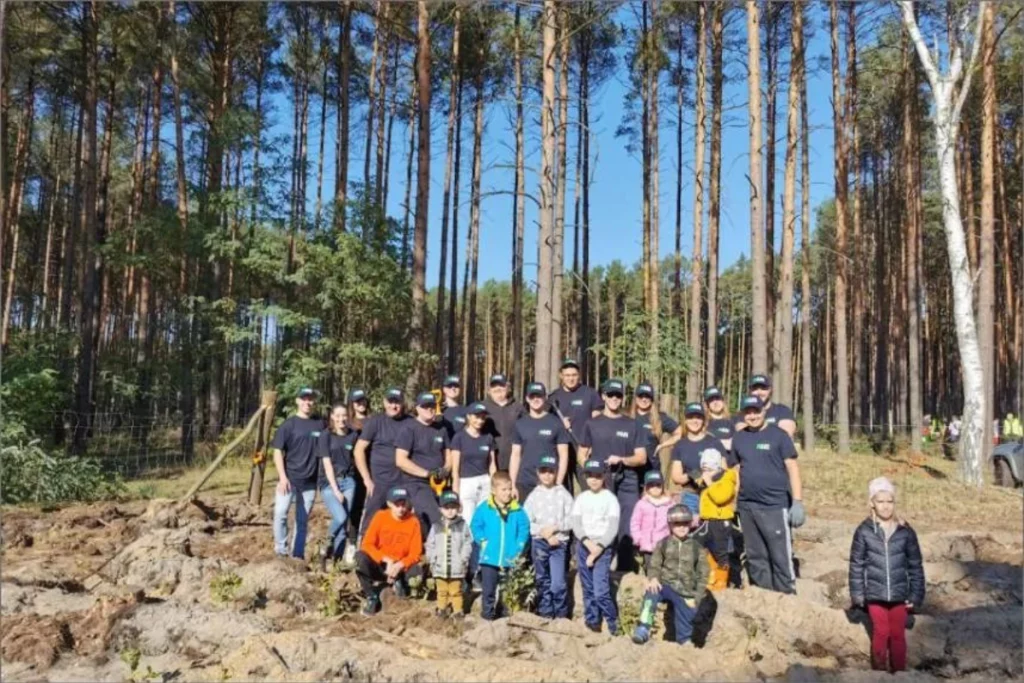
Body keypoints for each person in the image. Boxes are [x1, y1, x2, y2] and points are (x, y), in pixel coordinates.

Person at [849, 477, 925, 673]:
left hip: (899, 594)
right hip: (875, 594)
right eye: (880, 501)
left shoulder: (905, 532)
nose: (885, 507)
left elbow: (915, 565)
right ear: (871, 503)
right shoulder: (864, 531)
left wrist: (916, 596)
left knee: (898, 634)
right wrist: (858, 595)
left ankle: (899, 672)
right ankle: (879, 672)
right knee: (881, 632)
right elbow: (856, 565)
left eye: (889, 502)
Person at [732, 395, 804, 594]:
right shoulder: (739, 438)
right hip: (747, 505)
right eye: (748, 412)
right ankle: (764, 596)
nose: (752, 415)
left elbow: (792, 467)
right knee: (756, 554)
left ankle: (787, 595)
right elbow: (736, 470)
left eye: (756, 411)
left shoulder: (779, 436)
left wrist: (797, 501)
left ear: (764, 411)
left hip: (774, 505)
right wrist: (734, 502)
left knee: (779, 554)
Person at [577, 378, 647, 571]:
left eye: (618, 395)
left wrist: (623, 460)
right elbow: (581, 454)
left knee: (626, 525)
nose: (615, 398)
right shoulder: (592, 424)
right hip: (603, 481)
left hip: (628, 481)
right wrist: (592, 470)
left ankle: (625, 570)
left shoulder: (632, 425)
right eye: (611, 395)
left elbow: (641, 457)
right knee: (602, 523)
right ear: (603, 397)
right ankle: (601, 566)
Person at [630, 504, 710, 645]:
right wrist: (653, 578)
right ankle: (643, 627)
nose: (681, 527)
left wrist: (697, 597)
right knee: (651, 593)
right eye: (677, 524)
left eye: (685, 523)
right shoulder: (663, 544)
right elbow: (654, 564)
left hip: (686, 591)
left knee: (686, 618)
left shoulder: (696, 548)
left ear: (690, 524)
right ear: (670, 525)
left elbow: (703, 573)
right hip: (666, 585)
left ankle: (684, 642)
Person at [270, 387, 323, 558]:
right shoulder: (288, 425)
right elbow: (277, 451)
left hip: (310, 483)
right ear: (298, 401)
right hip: (289, 480)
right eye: (304, 399)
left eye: (310, 399)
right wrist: (282, 477)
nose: (307, 402)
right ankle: (281, 550)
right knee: (280, 514)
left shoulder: (320, 424)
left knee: (302, 521)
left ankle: (297, 555)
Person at [470, 471, 530, 620]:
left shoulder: (517, 509)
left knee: (506, 591)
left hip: (509, 559)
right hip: (489, 559)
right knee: (488, 590)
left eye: (509, 489)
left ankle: (504, 618)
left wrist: (519, 545)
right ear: (493, 490)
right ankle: (487, 617)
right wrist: (482, 540)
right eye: (504, 490)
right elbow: (475, 525)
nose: (508, 493)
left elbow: (524, 527)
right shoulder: (484, 508)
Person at [356, 486, 424, 616]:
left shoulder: (413, 521)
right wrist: (386, 560)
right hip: (382, 564)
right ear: (389, 504)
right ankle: (372, 596)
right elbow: (367, 544)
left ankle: (403, 588)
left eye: (403, 504)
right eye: (396, 504)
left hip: (401, 566)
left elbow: (416, 553)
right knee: (359, 559)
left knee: (416, 572)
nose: (400, 508)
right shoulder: (380, 517)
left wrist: (400, 565)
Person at [571, 459, 621, 635]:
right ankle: (592, 624)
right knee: (588, 589)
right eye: (590, 475)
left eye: (597, 476)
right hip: (584, 545)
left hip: (603, 548)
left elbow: (612, 528)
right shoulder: (581, 498)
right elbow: (576, 524)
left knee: (601, 591)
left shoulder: (610, 499)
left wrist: (598, 548)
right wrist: (587, 543)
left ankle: (614, 624)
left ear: (603, 477)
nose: (593, 479)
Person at [354, 387, 411, 535]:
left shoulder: (411, 422)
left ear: (403, 403)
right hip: (380, 482)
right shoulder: (375, 421)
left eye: (397, 402)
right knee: (372, 519)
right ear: (385, 402)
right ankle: (364, 553)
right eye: (391, 402)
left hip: (404, 480)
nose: (394, 406)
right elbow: (358, 450)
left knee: (403, 520)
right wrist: (367, 479)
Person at [523, 455, 574, 619]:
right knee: (542, 579)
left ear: (556, 472)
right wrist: (543, 532)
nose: (547, 475)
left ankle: (561, 615)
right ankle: (545, 613)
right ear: (538, 473)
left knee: (558, 583)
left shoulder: (563, 494)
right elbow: (526, 521)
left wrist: (556, 529)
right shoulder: (533, 496)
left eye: (550, 472)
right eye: (543, 471)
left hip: (558, 544)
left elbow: (573, 519)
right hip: (540, 543)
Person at [395, 392, 452, 537]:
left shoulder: (441, 429)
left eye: (432, 406)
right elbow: (400, 460)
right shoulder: (409, 429)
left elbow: (449, 456)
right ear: (418, 408)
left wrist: (446, 469)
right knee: (436, 518)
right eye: (425, 406)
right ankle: (439, 554)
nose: (429, 409)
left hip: (440, 484)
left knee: (447, 517)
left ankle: (427, 550)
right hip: (417, 484)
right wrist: (427, 473)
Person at [510, 382, 571, 503]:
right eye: (532, 396)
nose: (536, 399)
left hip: (549, 482)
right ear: (527, 399)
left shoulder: (556, 423)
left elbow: (564, 455)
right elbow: (515, 455)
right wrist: (513, 484)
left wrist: (558, 483)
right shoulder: (520, 424)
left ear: (545, 398)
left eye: (539, 396)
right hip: (524, 482)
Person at [669, 402, 732, 515]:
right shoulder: (680, 445)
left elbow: (724, 470)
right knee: (689, 528)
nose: (695, 421)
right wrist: (696, 474)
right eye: (691, 417)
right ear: (685, 420)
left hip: (712, 492)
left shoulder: (714, 442)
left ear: (704, 420)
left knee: (711, 528)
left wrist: (709, 476)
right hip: (690, 495)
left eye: (698, 417)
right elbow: (676, 477)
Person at [549, 359, 603, 485]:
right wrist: (559, 424)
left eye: (574, 375)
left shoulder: (590, 394)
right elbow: (547, 422)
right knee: (563, 489)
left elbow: (598, 422)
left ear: (579, 375)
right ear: (561, 376)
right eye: (567, 375)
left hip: (584, 449)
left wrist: (592, 445)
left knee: (588, 487)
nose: (571, 378)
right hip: (561, 451)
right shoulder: (553, 397)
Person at [319, 402, 360, 565]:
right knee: (341, 517)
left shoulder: (353, 435)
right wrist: (336, 489)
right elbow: (327, 463)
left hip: (349, 481)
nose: (342, 419)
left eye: (344, 415)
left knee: (344, 523)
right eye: (338, 416)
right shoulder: (325, 436)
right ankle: (325, 544)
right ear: (332, 417)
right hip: (329, 483)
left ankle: (334, 560)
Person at [425, 490, 473, 618]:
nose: (450, 511)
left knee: (456, 591)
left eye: (453, 507)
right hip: (440, 567)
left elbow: (468, 543)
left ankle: (458, 611)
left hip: (457, 567)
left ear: (458, 508)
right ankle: (441, 610)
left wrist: (464, 558)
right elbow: (430, 544)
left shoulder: (462, 525)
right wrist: (431, 558)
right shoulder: (436, 526)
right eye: (447, 507)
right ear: (440, 509)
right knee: (441, 591)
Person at [450, 402, 497, 529]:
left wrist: (494, 487)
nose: (480, 420)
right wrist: (456, 494)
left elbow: (492, 465)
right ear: (468, 417)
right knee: (468, 521)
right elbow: (455, 469)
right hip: (466, 483)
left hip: (485, 482)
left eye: (483, 417)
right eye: (477, 417)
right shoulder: (459, 437)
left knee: (485, 520)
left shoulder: (488, 438)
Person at [698, 449, 737, 591]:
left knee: (721, 552)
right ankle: (710, 578)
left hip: (720, 521)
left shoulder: (727, 479)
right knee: (704, 549)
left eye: (708, 469)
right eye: (703, 469)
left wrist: (709, 482)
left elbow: (720, 497)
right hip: (707, 520)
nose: (705, 473)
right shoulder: (710, 480)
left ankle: (721, 583)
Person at [629, 382, 682, 484]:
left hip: (652, 470)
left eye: (647, 397)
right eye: (641, 396)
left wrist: (662, 445)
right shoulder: (627, 417)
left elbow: (680, 432)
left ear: (652, 400)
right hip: (631, 470)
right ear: (636, 398)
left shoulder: (660, 418)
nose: (644, 399)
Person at [342, 387, 371, 566]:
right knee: (355, 509)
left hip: (371, 469)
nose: (361, 404)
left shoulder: (372, 421)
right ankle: (351, 544)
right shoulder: (348, 423)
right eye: (357, 401)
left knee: (372, 509)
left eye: (363, 401)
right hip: (353, 471)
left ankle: (367, 544)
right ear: (352, 404)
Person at [629, 471, 673, 575]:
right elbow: (635, 523)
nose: (655, 488)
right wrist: (638, 539)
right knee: (651, 572)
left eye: (658, 485)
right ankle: (652, 590)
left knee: (665, 573)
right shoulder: (641, 504)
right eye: (651, 485)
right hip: (647, 547)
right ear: (646, 487)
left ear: (662, 486)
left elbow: (674, 522)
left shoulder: (669, 504)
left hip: (664, 547)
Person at [482, 373, 525, 471]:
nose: (498, 388)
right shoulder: (482, 408)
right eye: (494, 386)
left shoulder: (518, 407)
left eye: (501, 385)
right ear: (489, 390)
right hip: (488, 463)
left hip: (515, 462)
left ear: (508, 388)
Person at [737, 374, 797, 441]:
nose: (759, 392)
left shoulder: (783, 411)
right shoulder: (744, 414)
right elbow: (742, 436)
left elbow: (785, 437)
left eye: (763, 388)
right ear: (750, 391)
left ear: (770, 390)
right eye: (755, 389)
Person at [703, 386, 736, 451]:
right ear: (707, 404)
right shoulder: (703, 422)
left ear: (723, 401)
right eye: (711, 400)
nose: (715, 402)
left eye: (717, 398)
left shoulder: (733, 420)